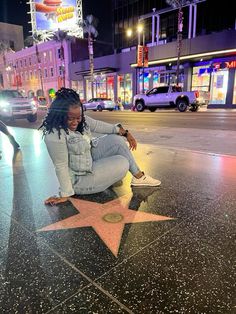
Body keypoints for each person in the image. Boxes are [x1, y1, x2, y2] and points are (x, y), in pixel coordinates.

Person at [39, 88, 161, 206]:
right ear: (60, 115)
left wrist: (125, 133)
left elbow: (100, 126)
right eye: (70, 118)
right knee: (123, 162)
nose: (75, 122)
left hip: (89, 160)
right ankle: (107, 178)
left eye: (78, 117)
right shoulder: (54, 135)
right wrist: (65, 194)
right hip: (79, 180)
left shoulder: (81, 121)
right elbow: (60, 166)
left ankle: (139, 177)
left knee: (117, 140)